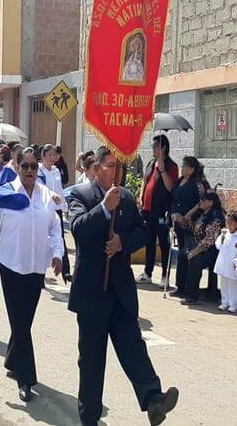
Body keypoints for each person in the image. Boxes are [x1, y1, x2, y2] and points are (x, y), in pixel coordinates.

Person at [67, 146, 178, 426]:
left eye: (119, 167)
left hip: (121, 292)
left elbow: (142, 231)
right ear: (96, 169)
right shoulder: (81, 195)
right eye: (110, 165)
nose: (115, 172)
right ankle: (89, 417)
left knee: (133, 347)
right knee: (92, 361)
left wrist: (122, 243)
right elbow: (78, 228)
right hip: (92, 292)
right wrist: (104, 208)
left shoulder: (127, 197)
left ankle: (153, 399)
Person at [0, 148, 64, 402]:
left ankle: (12, 359)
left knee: (24, 321)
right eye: (24, 166)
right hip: (11, 267)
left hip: (36, 268)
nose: (29, 171)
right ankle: (26, 378)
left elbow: (55, 228)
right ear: (16, 167)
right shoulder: (5, 195)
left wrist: (58, 254)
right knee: (21, 324)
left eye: (32, 167)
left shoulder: (46, 196)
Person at [137, 134, 178, 287]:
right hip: (147, 211)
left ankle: (165, 276)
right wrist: (141, 196)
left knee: (164, 243)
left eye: (155, 147)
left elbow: (171, 187)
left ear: (163, 148)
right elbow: (144, 180)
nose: (153, 149)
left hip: (161, 212)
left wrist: (162, 171)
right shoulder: (150, 163)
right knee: (149, 242)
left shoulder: (170, 166)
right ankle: (148, 272)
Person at [168, 156, 209, 298]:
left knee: (189, 254)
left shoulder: (198, 183)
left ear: (191, 169)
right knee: (181, 253)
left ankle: (189, 288)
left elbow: (203, 202)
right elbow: (173, 198)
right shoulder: (179, 181)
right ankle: (180, 286)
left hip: (192, 224)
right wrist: (173, 214)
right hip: (178, 223)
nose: (182, 167)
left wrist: (189, 214)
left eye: (184, 165)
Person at [181, 190, 225, 305]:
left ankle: (193, 296)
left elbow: (209, 240)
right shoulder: (202, 214)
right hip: (200, 247)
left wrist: (194, 251)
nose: (200, 202)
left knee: (195, 260)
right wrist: (195, 208)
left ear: (210, 202)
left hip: (211, 251)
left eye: (203, 200)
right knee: (183, 255)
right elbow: (187, 222)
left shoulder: (215, 217)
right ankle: (184, 289)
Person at [38, 144, 71, 282]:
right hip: (44, 209)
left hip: (56, 210)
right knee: (42, 240)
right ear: (43, 156)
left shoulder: (56, 171)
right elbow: (39, 189)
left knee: (60, 238)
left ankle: (66, 271)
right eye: (49, 155)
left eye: (54, 155)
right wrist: (51, 195)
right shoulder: (38, 171)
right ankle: (40, 273)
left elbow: (60, 191)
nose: (52, 157)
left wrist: (65, 208)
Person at [214, 210, 237, 312]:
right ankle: (225, 302)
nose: (228, 225)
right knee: (224, 283)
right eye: (227, 223)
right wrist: (221, 239)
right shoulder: (225, 234)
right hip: (224, 262)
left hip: (233, 264)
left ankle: (234, 304)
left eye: (230, 223)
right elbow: (218, 246)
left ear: (236, 223)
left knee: (233, 284)